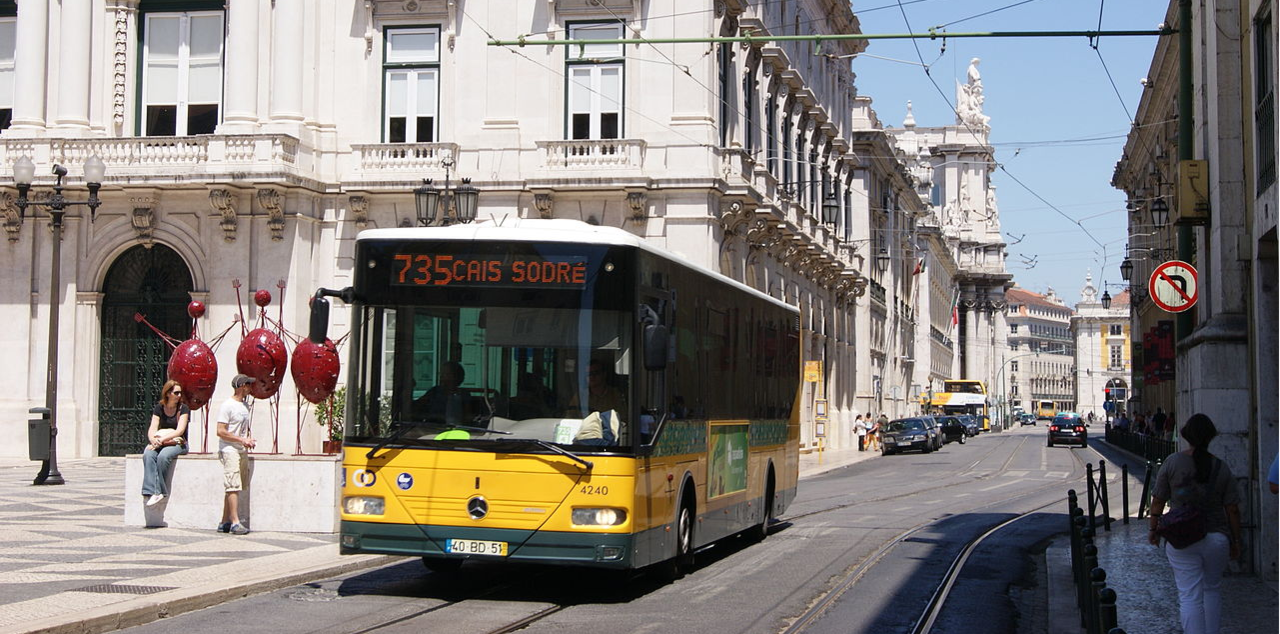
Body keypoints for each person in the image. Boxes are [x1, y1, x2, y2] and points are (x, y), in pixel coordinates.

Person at [1147, 414, 1242, 634]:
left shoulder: (1172, 462)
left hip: (1182, 538)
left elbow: (1158, 500)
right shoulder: (1221, 467)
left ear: (1186, 436)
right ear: (1211, 437)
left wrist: (1153, 529)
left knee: (1189, 595)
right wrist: (1236, 540)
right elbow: (1233, 509)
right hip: (1217, 538)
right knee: (1212, 590)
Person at [216, 374, 257, 535]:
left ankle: (224, 521)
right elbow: (220, 431)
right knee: (232, 485)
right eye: (248, 385)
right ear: (241, 386)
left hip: (240, 449)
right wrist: (241, 439)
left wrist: (247, 440)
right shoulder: (227, 406)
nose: (250, 388)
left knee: (235, 486)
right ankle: (235, 522)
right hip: (229, 449)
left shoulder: (245, 406)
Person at [141, 380, 191, 507]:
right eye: (176, 392)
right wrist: (152, 439)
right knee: (148, 454)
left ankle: (160, 491)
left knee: (163, 457)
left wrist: (161, 440)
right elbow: (153, 427)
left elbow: (180, 431)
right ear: (168, 393)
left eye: (180, 393)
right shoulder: (159, 408)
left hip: (178, 443)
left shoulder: (183, 409)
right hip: (161, 442)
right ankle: (149, 491)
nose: (179, 395)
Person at [413, 361, 474, 426]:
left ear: (457, 377)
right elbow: (417, 406)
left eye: (447, 374)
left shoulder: (464, 394)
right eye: (441, 374)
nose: (442, 377)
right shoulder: (434, 392)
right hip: (432, 430)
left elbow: (468, 418)